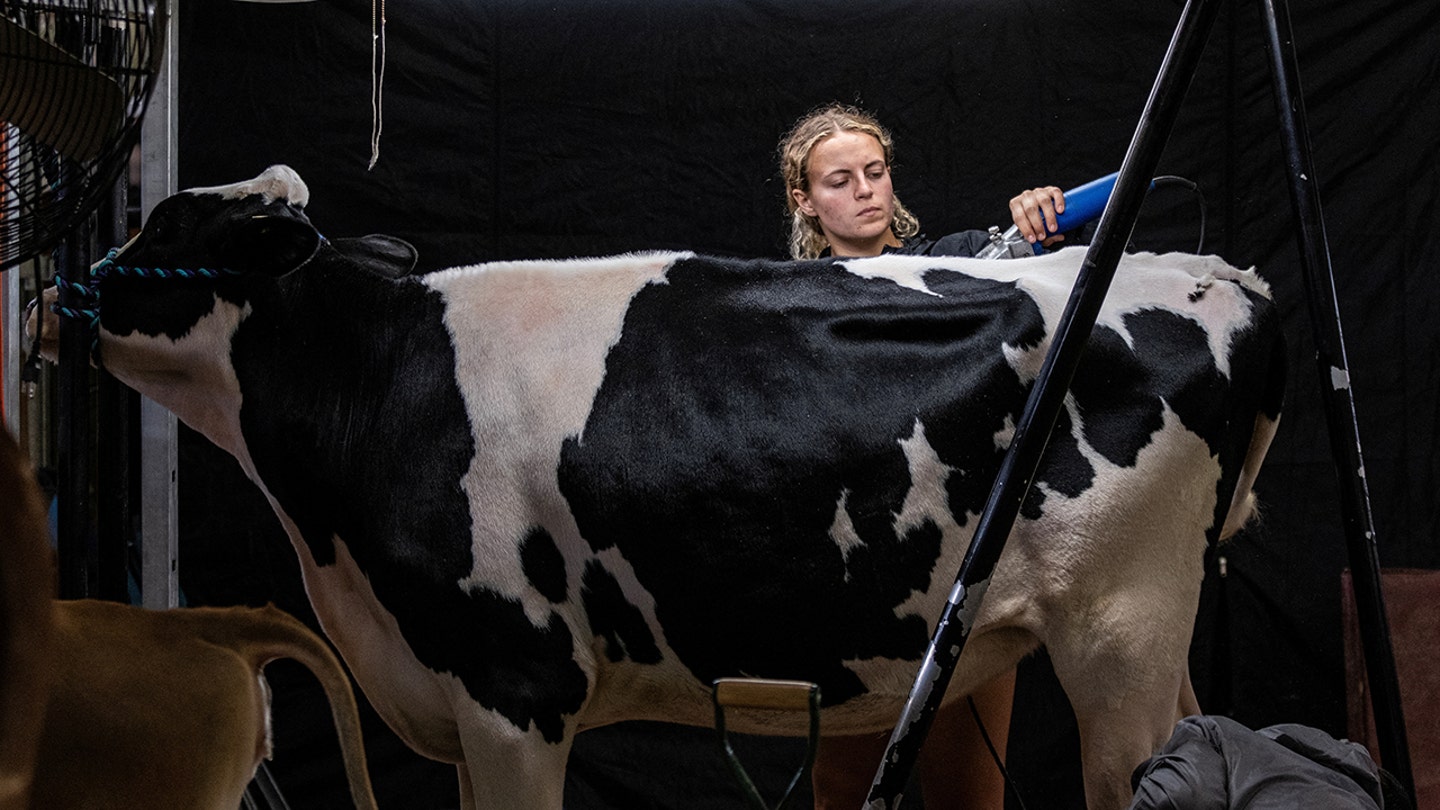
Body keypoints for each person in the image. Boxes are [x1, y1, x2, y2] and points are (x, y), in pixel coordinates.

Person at [777, 102, 1069, 810]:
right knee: (841, 791)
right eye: (839, 180)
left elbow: (1064, 260)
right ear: (804, 201)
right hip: (852, 582)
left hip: (962, 568)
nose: (865, 191)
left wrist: (1046, 216)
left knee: (969, 795)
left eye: (874, 172)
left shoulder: (960, 264)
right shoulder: (789, 303)